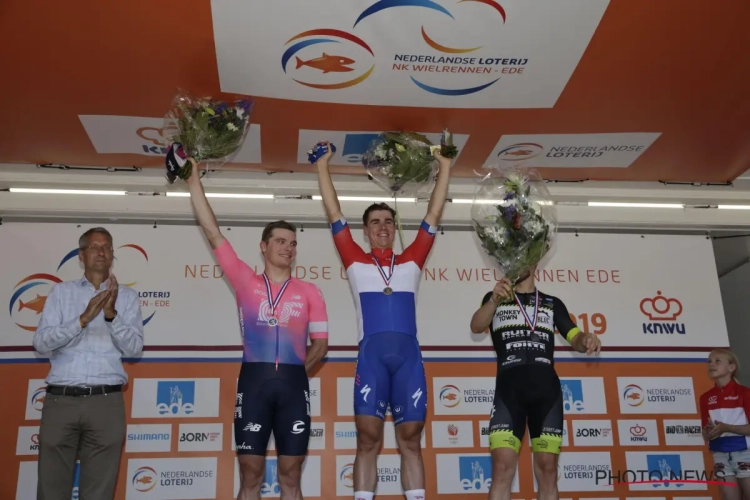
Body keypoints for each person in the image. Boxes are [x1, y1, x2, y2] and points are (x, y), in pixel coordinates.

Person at [182, 158, 329, 500]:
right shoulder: (245, 281)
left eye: (293, 243)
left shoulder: (310, 291)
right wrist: (192, 182)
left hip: (293, 387)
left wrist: (292, 372)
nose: (288, 248)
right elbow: (213, 232)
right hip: (253, 385)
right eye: (281, 241)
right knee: (251, 475)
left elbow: (320, 346)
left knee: (291, 476)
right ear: (264, 247)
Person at [314, 141, 453, 500]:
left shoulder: (412, 260)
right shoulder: (355, 260)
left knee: (411, 440)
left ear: (395, 227)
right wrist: (322, 166)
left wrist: (445, 166)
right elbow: (333, 212)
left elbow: (434, 213)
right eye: (375, 222)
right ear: (365, 230)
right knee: (367, 440)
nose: (383, 227)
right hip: (372, 357)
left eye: (388, 221)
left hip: (408, 358)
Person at [32, 227, 144, 500]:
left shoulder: (127, 297)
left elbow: (134, 348)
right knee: (51, 489)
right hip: (62, 401)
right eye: (94, 246)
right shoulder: (61, 292)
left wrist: (111, 315)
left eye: (107, 247)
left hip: (106, 402)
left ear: (112, 255)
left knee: (99, 492)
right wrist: (82, 320)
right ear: (81, 255)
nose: (101, 252)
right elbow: (41, 343)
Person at [469, 269, 601, 500]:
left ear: (535, 259)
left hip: (546, 393)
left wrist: (587, 339)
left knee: (548, 470)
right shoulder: (496, 297)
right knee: (502, 468)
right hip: (509, 393)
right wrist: (493, 301)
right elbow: (476, 326)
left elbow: (575, 337)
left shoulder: (552, 303)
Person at [700, 348, 750, 500]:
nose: (711, 365)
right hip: (720, 454)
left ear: (731, 367)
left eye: (717, 361)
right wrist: (708, 431)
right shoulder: (705, 397)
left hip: (745, 453)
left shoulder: (745, 393)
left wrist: (727, 428)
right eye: (709, 361)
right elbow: (705, 435)